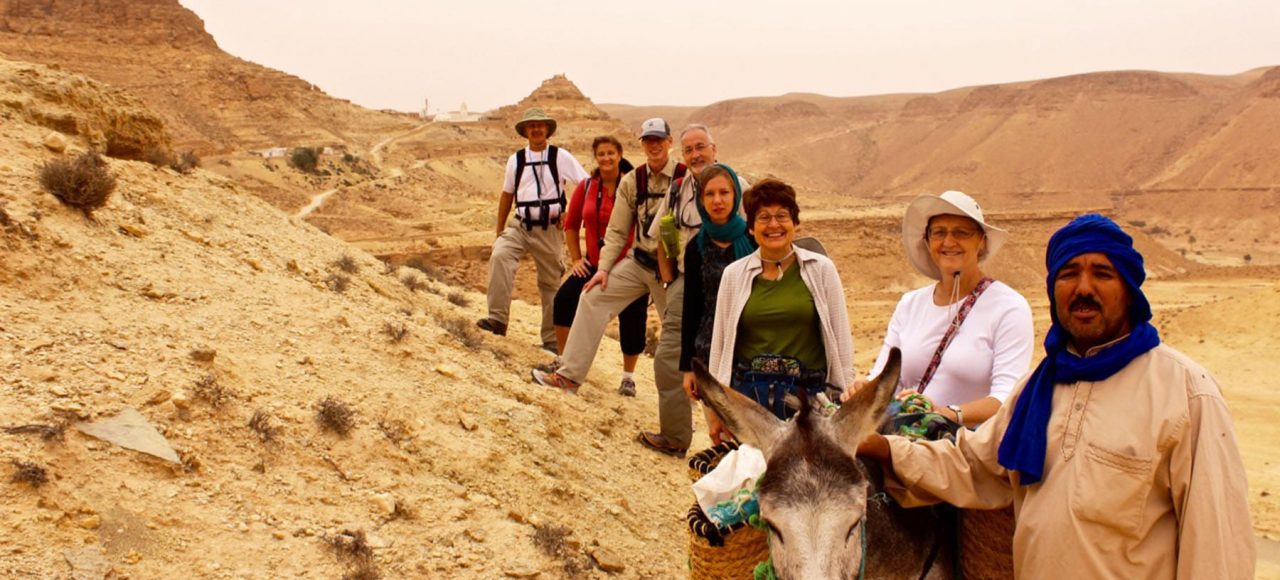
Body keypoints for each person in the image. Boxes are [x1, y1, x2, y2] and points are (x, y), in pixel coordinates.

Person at [858, 213, 1255, 578]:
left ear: (1130, 290)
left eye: (1102, 273)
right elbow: (973, 466)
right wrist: (885, 449)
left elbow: (1216, 547)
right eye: (1068, 274)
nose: (1083, 288)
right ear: (1053, 290)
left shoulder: (1186, 393)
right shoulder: (1040, 387)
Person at [530, 118, 685, 413]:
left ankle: (698, 409)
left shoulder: (685, 177)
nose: (653, 146)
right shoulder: (634, 180)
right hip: (638, 262)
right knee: (591, 297)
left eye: (659, 140)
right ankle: (568, 377)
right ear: (641, 143)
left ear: (669, 142)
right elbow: (615, 231)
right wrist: (602, 269)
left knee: (681, 331)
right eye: (648, 140)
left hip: (672, 271)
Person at [850, 190, 1033, 427]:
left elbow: (1007, 398)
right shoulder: (910, 304)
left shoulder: (1009, 307)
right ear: (927, 242)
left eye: (961, 232)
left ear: (981, 241)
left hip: (967, 448)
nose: (948, 242)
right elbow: (884, 378)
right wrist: (864, 390)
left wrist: (945, 413)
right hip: (905, 441)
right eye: (939, 233)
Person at [703, 179, 855, 443]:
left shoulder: (821, 269)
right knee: (751, 481)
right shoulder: (734, 275)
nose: (774, 225)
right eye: (763, 217)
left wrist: (844, 400)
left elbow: (841, 340)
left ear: (795, 223)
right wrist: (716, 409)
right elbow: (720, 347)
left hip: (810, 404)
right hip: (750, 405)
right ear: (751, 228)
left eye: (782, 216)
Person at [476, 108, 588, 351]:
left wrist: (570, 215)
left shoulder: (561, 157)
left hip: (550, 228)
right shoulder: (515, 160)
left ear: (547, 129)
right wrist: (498, 232)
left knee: (550, 284)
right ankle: (497, 320)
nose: (536, 129)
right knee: (500, 255)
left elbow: (587, 185)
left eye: (540, 125)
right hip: (520, 224)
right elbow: (507, 195)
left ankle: (550, 341)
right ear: (525, 131)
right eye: (531, 126)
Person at [545, 135, 648, 396]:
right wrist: (577, 259)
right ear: (595, 157)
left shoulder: (635, 186)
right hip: (593, 263)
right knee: (565, 300)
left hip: (628, 265)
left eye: (611, 153)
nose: (606, 158)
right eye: (601, 154)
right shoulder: (587, 187)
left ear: (620, 154)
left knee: (633, 318)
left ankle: (628, 377)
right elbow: (571, 224)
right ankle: (564, 360)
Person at [675, 164, 756, 443]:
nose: (717, 200)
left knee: (750, 436)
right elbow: (692, 309)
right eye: (710, 194)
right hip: (710, 351)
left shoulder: (754, 239)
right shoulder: (695, 248)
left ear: (735, 196)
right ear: (701, 200)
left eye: (724, 192)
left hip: (750, 351)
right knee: (719, 435)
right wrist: (689, 367)